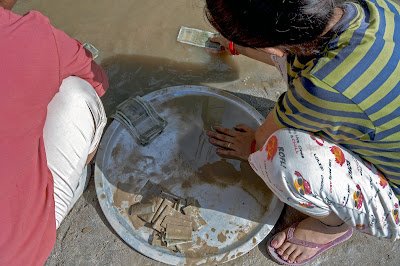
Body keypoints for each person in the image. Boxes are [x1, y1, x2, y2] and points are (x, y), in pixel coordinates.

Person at [205, 0, 400, 265]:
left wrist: (249, 147)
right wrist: (235, 46)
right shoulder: (376, 9)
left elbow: (263, 141)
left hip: (394, 200)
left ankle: (333, 226)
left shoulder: (320, 89)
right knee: (297, 59)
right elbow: (285, 53)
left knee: (280, 156)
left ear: (271, 47)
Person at [0, 0, 109, 264]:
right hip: (18, 254)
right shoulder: (30, 33)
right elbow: (100, 81)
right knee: (77, 92)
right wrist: (58, 56)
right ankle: (81, 175)